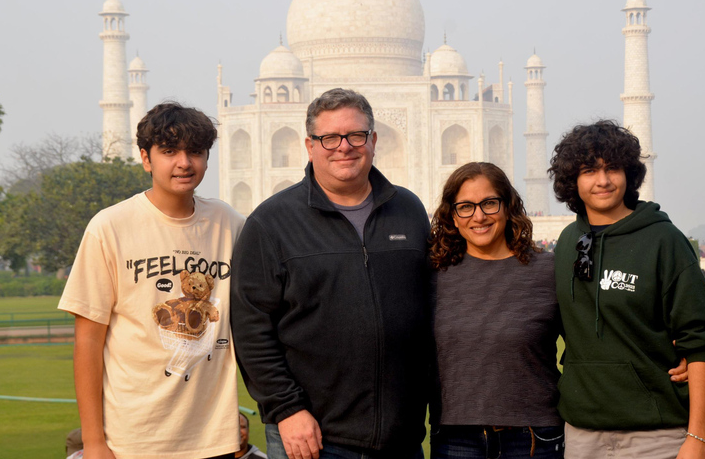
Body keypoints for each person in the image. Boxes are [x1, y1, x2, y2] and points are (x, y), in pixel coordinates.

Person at [231, 88, 432, 459]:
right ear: (309, 145)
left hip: (400, 435)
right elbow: (250, 327)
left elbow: (429, 307)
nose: (344, 147)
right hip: (311, 436)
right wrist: (287, 409)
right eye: (329, 138)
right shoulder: (272, 221)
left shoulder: (408, 210)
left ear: (373, 140)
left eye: (356, 135)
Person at [58, 102, 246, 458]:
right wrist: (94, 441)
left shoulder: (229, 225)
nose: (184, 163)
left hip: (211, 438)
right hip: (134, 438)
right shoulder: (110, 227)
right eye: (169, 151)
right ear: (146, 159)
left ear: (207, 158)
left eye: (195, 151)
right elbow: (88, 341)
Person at [548, 119, 705, 459]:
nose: (603, 180)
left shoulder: (663, 239)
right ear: (573, 180)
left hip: (655, 435)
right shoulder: (568, 243)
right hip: (582, 433)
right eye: (588, 170)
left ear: (629, 173)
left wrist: (697, 438)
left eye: (612, 168)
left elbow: (699, 339)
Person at [428, 162, 564, 458]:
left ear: (507, 206)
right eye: (465, 206)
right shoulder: (434, 275)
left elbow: (594, 339)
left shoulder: (546, 272)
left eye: (489, 203)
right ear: (452, 214)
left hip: (532, 438)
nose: (479, 216)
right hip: (455, 438)